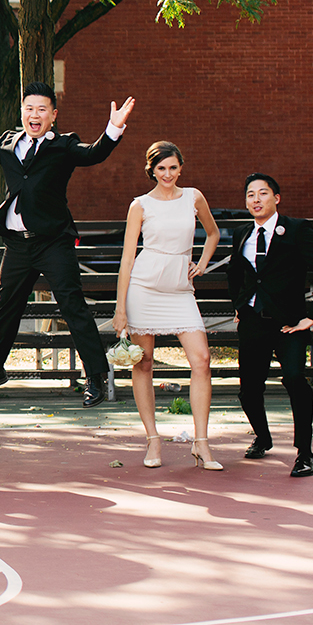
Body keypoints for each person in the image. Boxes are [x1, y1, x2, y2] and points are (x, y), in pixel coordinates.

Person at [0, 76, 135, 407]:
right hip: (18, 245)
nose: (35, 115)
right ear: (22, 112)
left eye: (42, 110)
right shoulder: (7, 144)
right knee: (7, 310)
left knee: (73, 306)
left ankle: (95, 376)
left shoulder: (62, 146)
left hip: (52, 243)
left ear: (53, 115)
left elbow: (93, 154)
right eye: (29, 108)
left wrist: (113, 130)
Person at [111, 142, 223, 470]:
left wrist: (201, 263)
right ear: (152, 171)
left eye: (173, 168)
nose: (168, 174)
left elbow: (213, 233)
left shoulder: (194, 197)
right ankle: (153, 441)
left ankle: (201, 444)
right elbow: (127, 259)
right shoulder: (140, 205)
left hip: (180, 291)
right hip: (143, 288)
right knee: (143, 363)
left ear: (181, 168)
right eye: (162, 169)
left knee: (201, 360)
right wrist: (120, 309)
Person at [226, 173, 313, 478]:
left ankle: (305, 452)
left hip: (290, 324)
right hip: (252, 322)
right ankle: (263, 437)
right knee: (248, 391)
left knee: (295, 379)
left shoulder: (297, 229)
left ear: (277, 198)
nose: (256, 199)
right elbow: (236, 274)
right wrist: (240, 304)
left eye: (262, 193)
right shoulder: (242, 235)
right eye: (250, 194)